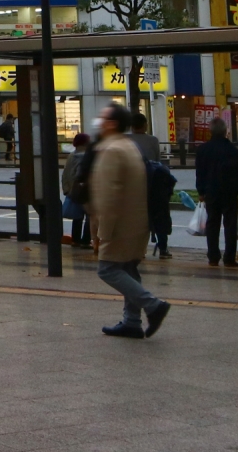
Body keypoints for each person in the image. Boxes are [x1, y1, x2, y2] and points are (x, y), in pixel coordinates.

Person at [88, 104, 170, 338]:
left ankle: (153, 305)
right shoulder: (128, 146)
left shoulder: (112, 150)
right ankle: (131, 321)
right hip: (136, 221)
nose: (99, 122)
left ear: (112, 124)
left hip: (119, 225)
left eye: (103, 118)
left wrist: (102, 232)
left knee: (108, 270)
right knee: (128, 268)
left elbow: (109, 195)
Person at [194, 117, 238, 267]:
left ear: (210, 131)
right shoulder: (233, 150)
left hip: (211, 191)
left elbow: (200, 172)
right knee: (230, 225)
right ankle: (229, 257)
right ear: (225, 131)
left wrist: (201, 191)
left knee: (212, 224)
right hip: (230, 192)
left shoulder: (203, 150)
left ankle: (213, 256)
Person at [62, 131, 93, 247]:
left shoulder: (71, 156)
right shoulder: (86, 156)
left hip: (73, 190)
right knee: (89, 216)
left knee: (77, 216)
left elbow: (65, 174)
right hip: (84, 189)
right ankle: (86, 240)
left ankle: (75, 239)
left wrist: (67, 189)